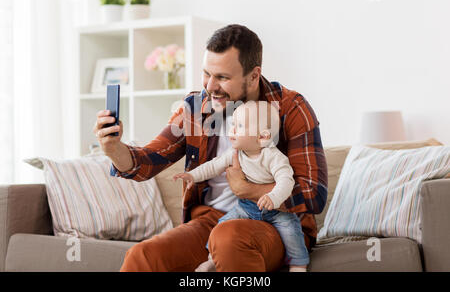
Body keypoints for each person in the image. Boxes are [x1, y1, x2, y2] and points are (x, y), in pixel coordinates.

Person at [93, 24, 328, 272]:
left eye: (223, 77)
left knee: (228, 238)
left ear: (253, 76)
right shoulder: (196, 107)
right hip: (211, 221)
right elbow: (148, 160)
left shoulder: (289, 107)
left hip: (276, 224)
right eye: (207, 74)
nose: (210, 86)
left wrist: (249, 190)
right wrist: (113, 149)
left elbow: (314, 194)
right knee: (143, 256)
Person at [173, 100, 310, 272]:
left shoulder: (274, 157)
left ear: (263, 137)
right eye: (233, 124)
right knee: (221, 226)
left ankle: (298, 264)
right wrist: (192, 175)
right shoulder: (235, 153)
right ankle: (212, 260)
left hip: (276, 211)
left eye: (240, 126)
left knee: (292, 231)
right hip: (246, 207)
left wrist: (273, 197)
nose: (233, 130)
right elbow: (213, 166)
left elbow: (286, 181)